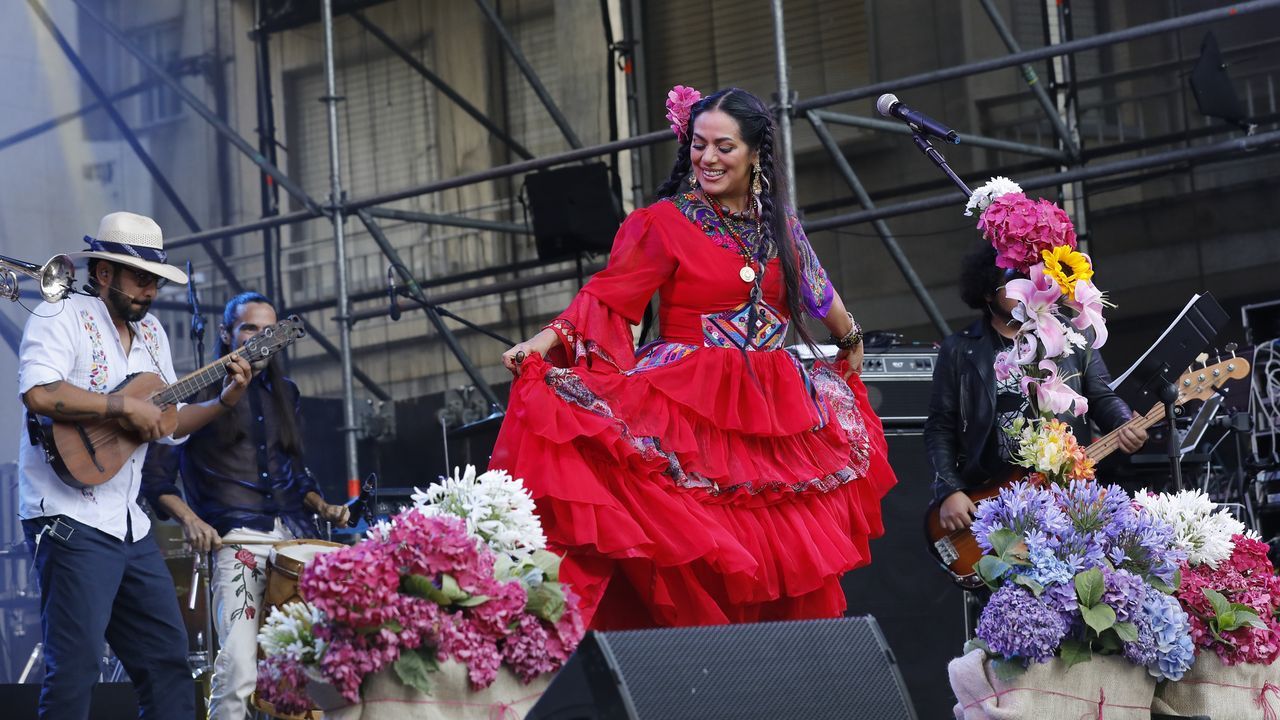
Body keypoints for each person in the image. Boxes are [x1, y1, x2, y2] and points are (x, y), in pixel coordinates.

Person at [490, 86, 897, 630]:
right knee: (701, 545)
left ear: (756, 153)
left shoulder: (779, 222)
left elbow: (816, 289)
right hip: (689, 402)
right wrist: (543, 344)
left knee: (776, 549)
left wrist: (850, 340)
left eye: (724, 146)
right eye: (699, 144)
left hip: (772, 410)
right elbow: (610, 296)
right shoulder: (664, 222)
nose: (708, 158)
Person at [17, 212, 252, 719]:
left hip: (129, 523)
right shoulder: (60, 316)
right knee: (76, 669)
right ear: (104, 273)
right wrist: (121, 407)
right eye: (140, 279)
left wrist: (225, 402)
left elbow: (169, 419)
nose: (149, 292)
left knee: (166, 665)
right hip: (67, 517)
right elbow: (39, 393)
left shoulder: (153, 338)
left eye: (155, 281)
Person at [141, 291, 349, 720]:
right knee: (238, 670)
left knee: (308, 672)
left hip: (292, 542)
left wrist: (322, 505)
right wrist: (192, 521)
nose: (261, 338)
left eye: (270, 330)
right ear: (227, 333)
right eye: (250, 328)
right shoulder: (196, 393)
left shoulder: (286, 393)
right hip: (236, 542)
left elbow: (293, 471)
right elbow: (155, 479)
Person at [925, 244, 1148, 533]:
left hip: (1066, 495)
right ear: (987, 292)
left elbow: (1102, 395)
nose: (1028, 289)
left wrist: (1124, 422)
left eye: (1033, 278)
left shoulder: (1071, 333)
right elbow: (940, 427)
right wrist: (949, 489)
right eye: (1014, 281)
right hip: (994, 496)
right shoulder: (959, 349)